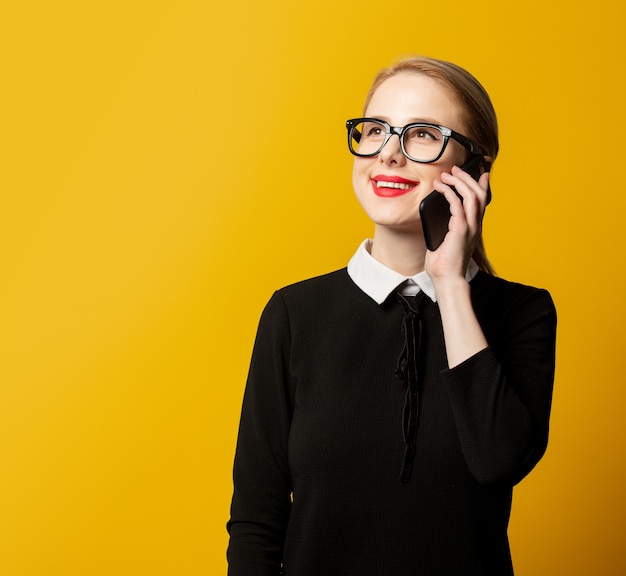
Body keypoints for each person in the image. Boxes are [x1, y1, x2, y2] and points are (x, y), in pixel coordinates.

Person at [226, 56, 557, 576]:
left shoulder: (521, 313)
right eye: (377, 130)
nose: (389, 155)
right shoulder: (293, 314)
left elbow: (498, 461)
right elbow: (256, 521)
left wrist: (449, 282)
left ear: (475, 171)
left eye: (422, 134)